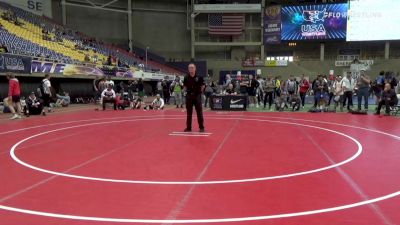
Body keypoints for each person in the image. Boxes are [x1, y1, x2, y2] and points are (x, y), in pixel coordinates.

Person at [183, 63, 205, 132]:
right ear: (188, 69)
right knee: (189, 113)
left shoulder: (199, 77)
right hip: (189, 96)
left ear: (195, 68)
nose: (191, 69)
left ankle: (201, 127)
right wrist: (185, 92)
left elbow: (203, 85)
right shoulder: (186, 77)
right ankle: (189, 128)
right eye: (189, 68)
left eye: (192, 67)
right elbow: (185, 86)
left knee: (199, 112)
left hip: (197, 96)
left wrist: (199, 93)